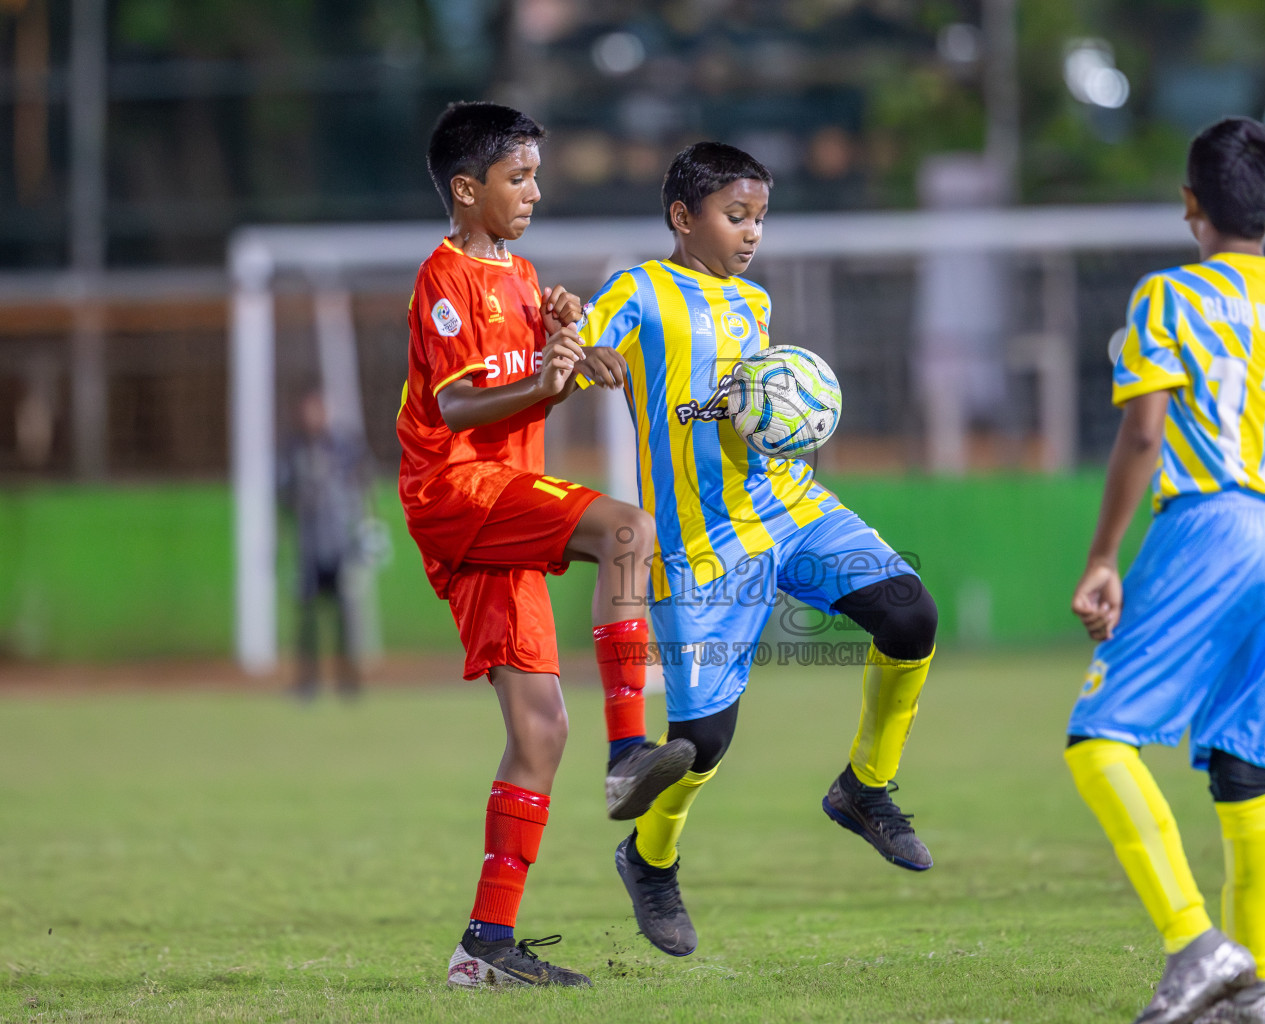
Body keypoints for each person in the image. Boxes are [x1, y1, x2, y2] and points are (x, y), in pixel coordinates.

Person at [577, 142, 940, 958]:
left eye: (759, 220)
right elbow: (580, 347)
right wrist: (586, 354)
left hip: (789, 506)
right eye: (734, 217)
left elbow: (749, 403)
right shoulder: (639, 289)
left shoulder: (755, 303)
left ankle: (865, 789)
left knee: (909, 616)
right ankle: (650, 861)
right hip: (699, 546)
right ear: (683, 217)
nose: (750, 235)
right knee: (701, 742)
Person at [396, 101, 695, 989]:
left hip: (497, 506)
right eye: (517, 177)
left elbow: (541, 362)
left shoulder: (520, 276)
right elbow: (455, 407)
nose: (534, 190)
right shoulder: (442, 279)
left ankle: (483, 946)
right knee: (627, 530)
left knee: (537, 732)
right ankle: (630, 751)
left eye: (535, 174)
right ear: (466, 189)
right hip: (456, 487)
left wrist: (563, 333)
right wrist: (547, 378)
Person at [1065, 117, 1265, 1024]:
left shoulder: (1168, 295)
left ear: (1189, 203)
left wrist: (1104, 553)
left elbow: (1143, 432)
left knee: (1099, 736)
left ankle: (1196, 944)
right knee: (1243, 763)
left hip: (1210, 521)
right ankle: (1253, 987)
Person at [280, 390, 369, 698]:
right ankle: (307, 683)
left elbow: (360, 487)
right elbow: (285, 499)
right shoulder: (294, 450)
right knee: (308, 620)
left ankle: (349, 682)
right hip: (309, 548)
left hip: (340, 546)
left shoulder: (343, 448)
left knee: (345, 617)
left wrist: (364, 532)